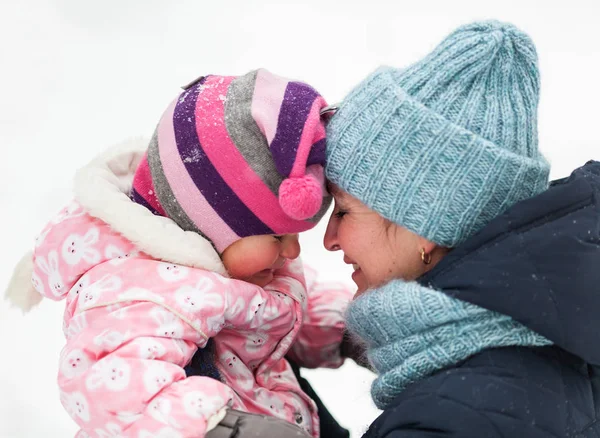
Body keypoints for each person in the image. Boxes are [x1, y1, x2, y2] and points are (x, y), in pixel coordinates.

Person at [4, 69, 353, 437]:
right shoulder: (137, 293)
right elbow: (113, 385)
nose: (292, 251)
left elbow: (291, 305)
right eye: (276, 236)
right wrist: (223, 429)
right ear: (208, 224)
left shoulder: (247, 267)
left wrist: (353, 329)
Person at [320, 20, 600, 437]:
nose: (328, 239)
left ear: (425, 225)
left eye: (343, 210)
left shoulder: (459, 412)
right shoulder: (526, 356)